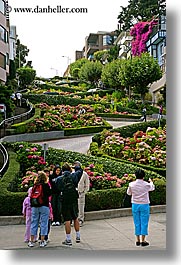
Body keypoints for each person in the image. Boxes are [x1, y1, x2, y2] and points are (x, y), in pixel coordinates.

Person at [53, 162, 83, 246]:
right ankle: (78, 236)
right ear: (70, 169)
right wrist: (76, 166)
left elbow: (57, 187)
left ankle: (68, 239)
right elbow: (80, 170)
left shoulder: (59, 179)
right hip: (73, 198)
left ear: (62, 170)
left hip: (65, 199)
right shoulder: (74, 176)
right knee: (75, 217)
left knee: (67, 220)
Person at [126, 168, 155, 247]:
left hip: (135, 204)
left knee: (137, 222)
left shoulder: (131, 184)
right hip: (144, 204)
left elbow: (128, 193)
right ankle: (143, 240)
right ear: (143, 176)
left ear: (135, 175)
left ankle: (137, 240)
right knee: (144, 222)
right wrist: (151, 182)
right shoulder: (146, 184)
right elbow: (152, 188)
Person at [28, 171, 51, 248]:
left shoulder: (35, 185)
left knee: (34, 223)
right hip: (44, 206)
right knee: (44, 223)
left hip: (35, 206)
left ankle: (31, 241)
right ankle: (42, 241)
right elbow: (49, 194)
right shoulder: (45, 185)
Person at [74, 161, 90, 227]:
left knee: (81, 207)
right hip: (74, 193)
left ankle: (80, 220)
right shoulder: (73, 173)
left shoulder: (84, 174)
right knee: (74, 207)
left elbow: (87, 184)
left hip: (81, 193)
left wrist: (84, 192)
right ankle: (75, 220)